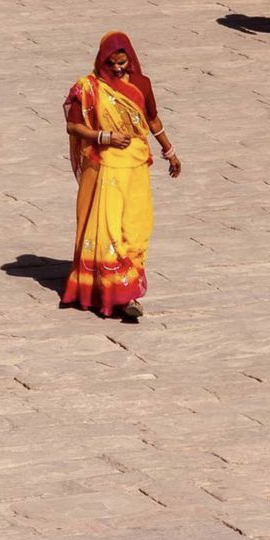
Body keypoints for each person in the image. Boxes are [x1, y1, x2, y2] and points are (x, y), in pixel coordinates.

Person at [61, 32, 182, 322]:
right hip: (106, 166)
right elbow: (73, 126)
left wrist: (170, 150)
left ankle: (123, 284)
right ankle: (122, 294)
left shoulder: (141, 84)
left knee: (135, 227)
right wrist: (104, 136)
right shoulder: (88, 87)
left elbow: (152, 120)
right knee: (108, 228)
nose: (117, 69)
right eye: (112, 63)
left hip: (136, 165)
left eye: (122, 62)